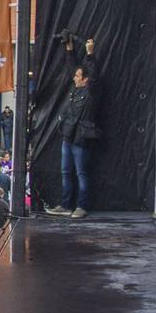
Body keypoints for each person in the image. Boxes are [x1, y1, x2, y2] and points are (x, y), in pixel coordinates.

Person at [46, 64, 99, 218]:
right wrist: (69, 50)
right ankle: (65, 205)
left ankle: (82, 206)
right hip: (68, 136)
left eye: (77, 76)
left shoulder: (91, 92)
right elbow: (71, 70)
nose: (74, 78)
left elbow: (94, 79)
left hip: (80, 138)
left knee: (81, 173)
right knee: (66, 172)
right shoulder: (74, 91)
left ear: (85, 79)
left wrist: (90, 57)